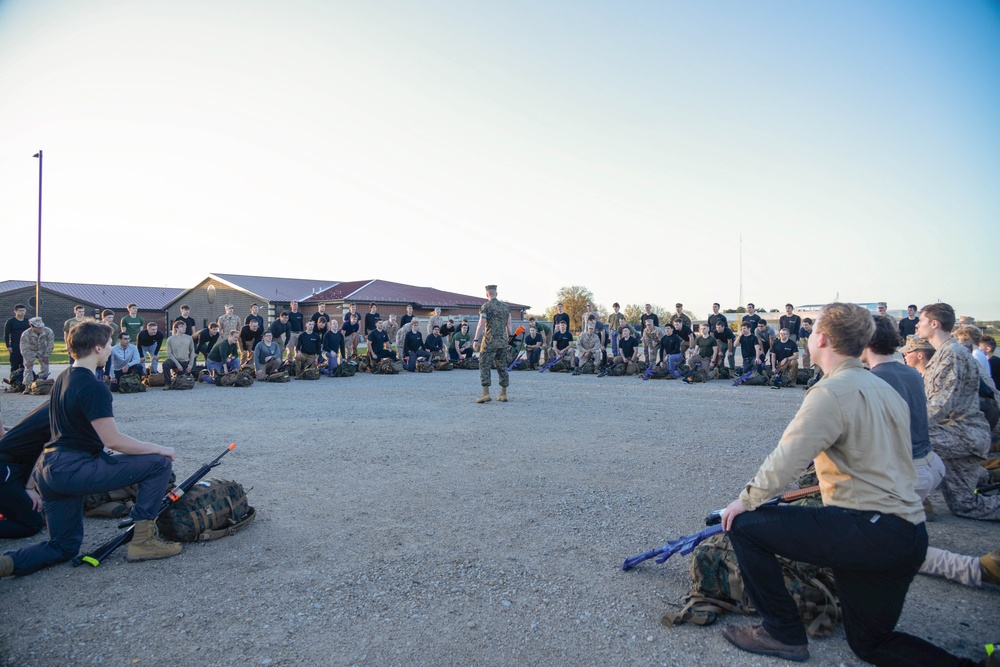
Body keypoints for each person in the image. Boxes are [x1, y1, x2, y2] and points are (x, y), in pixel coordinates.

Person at [718, 302, 977, 667]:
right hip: (907, 533)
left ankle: (781, 632)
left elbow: (787, 458)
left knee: (743, 527)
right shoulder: (885, 388)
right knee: (871, 643)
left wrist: (744, 501)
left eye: (812, 332)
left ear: (821, 338)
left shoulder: (831, 391)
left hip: (865, 528)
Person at [0, 321, 180, 580]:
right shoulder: (94, 387)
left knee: (64, 546)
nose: (109, 349)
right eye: (108, 345)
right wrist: (160, 448)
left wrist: (31, 483)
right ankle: (143, 541)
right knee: (158, 464)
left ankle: (7, 564)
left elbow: (51, 435)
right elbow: (112, 441)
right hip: (74, 468)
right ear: (97, 347)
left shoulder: (63, 378)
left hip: (49, 472)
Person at [917, 302, 997, 521]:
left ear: (934, 323)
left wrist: (904, 422)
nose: (917, 325)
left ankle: (912, 501)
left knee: (900, 437)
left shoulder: (952, 354)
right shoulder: (944, 353)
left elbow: (941, 406)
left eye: (921, 320)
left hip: (961, 432)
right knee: (965, 505)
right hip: (957, 433)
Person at [0, 403, 50, 539]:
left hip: (12, 465)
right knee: (32, 524)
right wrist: (30, 487)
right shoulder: (64, 414)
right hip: (6, 469)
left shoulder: (51, 404)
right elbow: (46, 453)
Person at [473, 285, 511, 403]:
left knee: (484, 365)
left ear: (487, 294)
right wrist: (510, 340)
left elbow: (481, 324)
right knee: (502, 366)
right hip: (503, 342)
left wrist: (475, 340)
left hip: (489, 341)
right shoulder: (506, 308)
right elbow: (509, 326)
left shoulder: (486, 307)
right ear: (496, 294)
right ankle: (503, 394)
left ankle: (486, 394)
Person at [20, 317, 55, 386]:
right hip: (30, 351)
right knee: (28, 367)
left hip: (42, 350)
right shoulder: (26, 333)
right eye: (38, 327)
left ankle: (40, 382)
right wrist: (28, 359)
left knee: (45, 367)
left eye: (42, 327)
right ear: (31, 326)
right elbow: (24, 347)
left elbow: (50, 344)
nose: (41, 329)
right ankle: (28, 385)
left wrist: (46, 355)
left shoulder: (48, 331)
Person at [162, 321, 196, 387]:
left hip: (184, 361)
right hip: (174, 360)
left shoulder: (189, 338)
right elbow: (169, 354)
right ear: (176, 328)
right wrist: (177, 364)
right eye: (181, 326)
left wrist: (190, 364)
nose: (184, 328)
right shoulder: (170, 339)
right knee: (165, 364)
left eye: (184, 326)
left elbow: (192, 352)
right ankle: (167, 383)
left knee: (181, 381)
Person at [5, 304, 30, 377]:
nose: (22, 312)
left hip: (26, 345)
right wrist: (8, 346)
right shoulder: (11, 321)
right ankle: (13, 380)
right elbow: (6, 334)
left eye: (23, 310)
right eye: (20, 310)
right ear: (15, 311)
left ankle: (23, 381)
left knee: (24, 364)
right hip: (15, 345)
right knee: (14, 364)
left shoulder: (28, 321)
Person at [98, 310, 120, 380]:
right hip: (98, 346)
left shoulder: (115, 327)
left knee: (109, 361)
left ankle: (107, 375)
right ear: (103, 317)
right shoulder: (97, 326)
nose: (111, 319)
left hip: (108, 346)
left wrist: (109, 348)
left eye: (112, 317)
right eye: (109, 317)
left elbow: (114, 340)